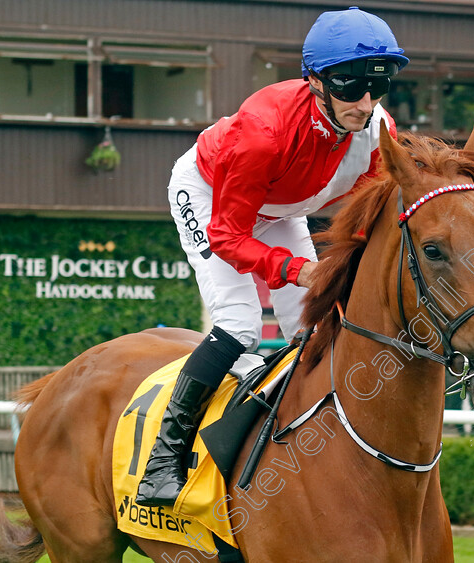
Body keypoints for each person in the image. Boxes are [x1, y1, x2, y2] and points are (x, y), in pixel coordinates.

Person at [136, 7, 409, 507]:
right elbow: (228, 237)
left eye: (378, 86)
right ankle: (163, 458)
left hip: (281, 206)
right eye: (349, 87)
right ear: (315, 81)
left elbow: (369, 218)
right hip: (210, 196)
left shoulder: (377, 132)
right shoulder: (263, 131)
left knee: (313, 325)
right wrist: (300, 270)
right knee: (240, 323)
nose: (364, 102)